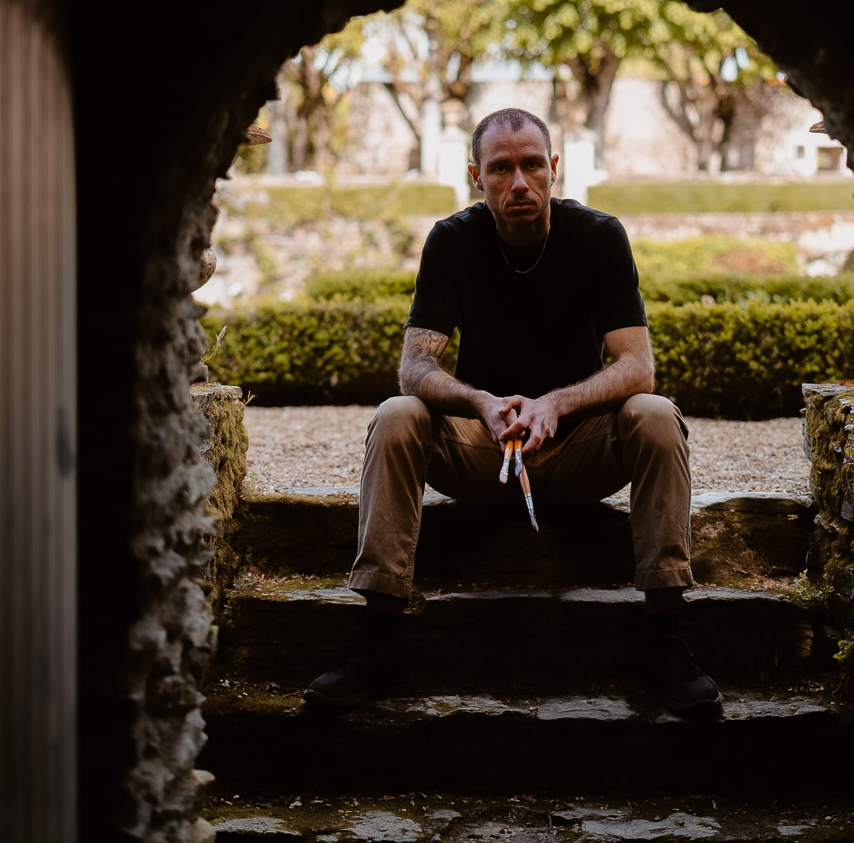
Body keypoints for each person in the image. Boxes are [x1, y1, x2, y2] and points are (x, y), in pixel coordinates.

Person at [303, 107, 720, 718]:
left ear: (554, 169)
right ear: (477, 175)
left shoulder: (599, 236)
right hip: (484, 450)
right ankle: (382, 640)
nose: (518, 182)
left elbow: (638, 366)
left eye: (531, 165)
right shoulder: (452, 239)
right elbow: (413, 368)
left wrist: (558, 402)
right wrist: (482, 403)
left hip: (577, 451)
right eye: (501, 168)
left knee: (655, 412)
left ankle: (664, 638)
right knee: (397, 413)